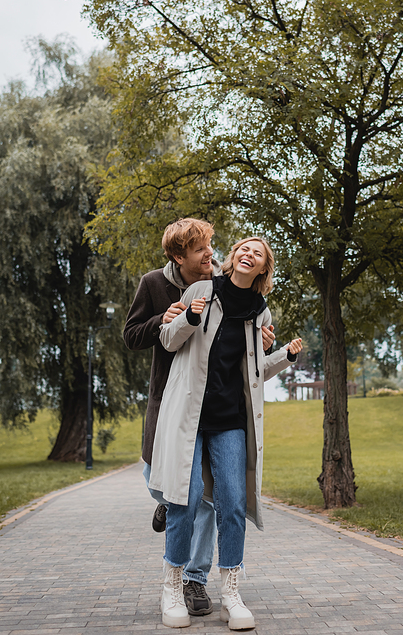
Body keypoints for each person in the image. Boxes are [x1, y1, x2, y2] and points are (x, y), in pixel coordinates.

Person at [123, 219, 276, 618]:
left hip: (223, 414)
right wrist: (170, 318)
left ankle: (196, 579)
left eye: (212, 247)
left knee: (214, 501)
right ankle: (172, 560)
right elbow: (134, 335)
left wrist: (263, 349)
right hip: (170, 400)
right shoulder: (156, 284)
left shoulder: (230, 292)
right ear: (179, 257)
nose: (211, 254)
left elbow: (252, 365)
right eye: (201, 250)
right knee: (175, 493)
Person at [149, 237, 302, 629]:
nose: (250, 254)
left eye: (259, 253)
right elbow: (167, 340)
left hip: (229, 419)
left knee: (233, 503)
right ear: (233, 258)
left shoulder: (260, 314)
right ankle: (172, 586)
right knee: (186, 498)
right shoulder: (201, 290)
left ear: (264, 268)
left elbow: (254, 372)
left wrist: (285, 355)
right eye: (244, 249)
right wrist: (189, 318)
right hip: (189, 414)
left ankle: (231, 593)